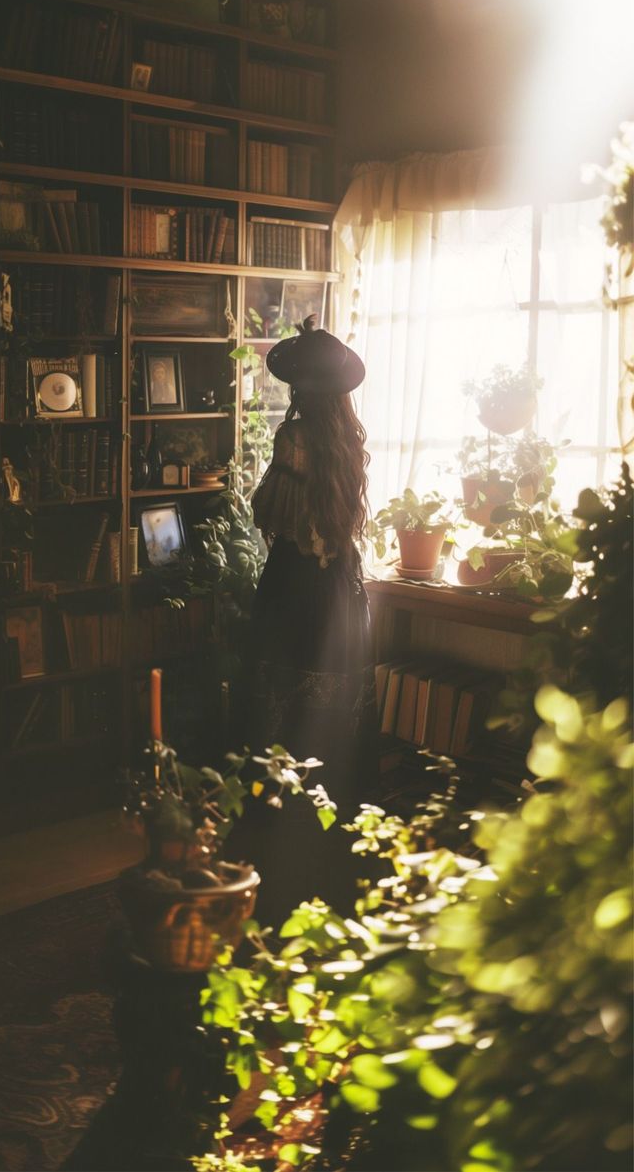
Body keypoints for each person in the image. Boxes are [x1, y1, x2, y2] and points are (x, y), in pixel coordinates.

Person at [233, 316, 376, 926]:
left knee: (276, 715)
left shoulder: (294, 438)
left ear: (301, 388)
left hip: (294, 591)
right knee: (332, 719)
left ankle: (274, 850)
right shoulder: (352, 439)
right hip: (341, 592)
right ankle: (329, 851)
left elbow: (272, 516)